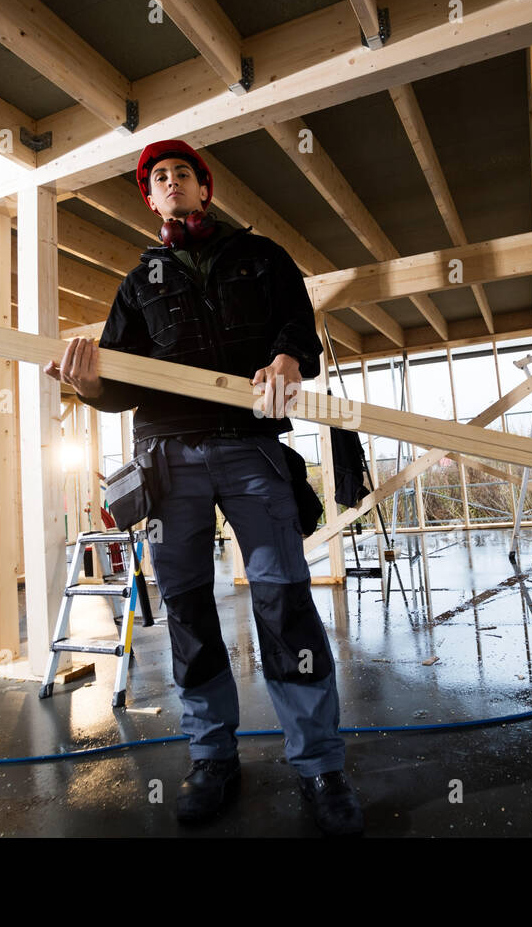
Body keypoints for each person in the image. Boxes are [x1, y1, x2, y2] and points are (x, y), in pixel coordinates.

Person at [44, 139, 363, 836]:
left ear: (203, 188)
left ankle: (319, 766)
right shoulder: (137, 284)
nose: (170, 181)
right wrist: (89, 381)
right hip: (166, 458)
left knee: (284, 603)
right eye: (158, 178)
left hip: (250, 449)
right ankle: (211, 757)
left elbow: (297, 330)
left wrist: (286, 357)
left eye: (181, 172)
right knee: (188, 610)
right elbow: (121, 381)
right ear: (151, 200)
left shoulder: (263, 256)